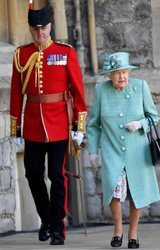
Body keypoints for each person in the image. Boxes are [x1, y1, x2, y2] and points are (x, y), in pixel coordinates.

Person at [9, 6, 87, 245]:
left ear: (50, 27)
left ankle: (58, 228)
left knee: (56, 174)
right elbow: (15, 93)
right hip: (32, 124)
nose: (39, 33)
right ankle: (47, 218)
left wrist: (79, 125)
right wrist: (16, 128)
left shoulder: (65, 52)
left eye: (42, 28)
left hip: (59, 124)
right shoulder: (21, 55)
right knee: (32, 173)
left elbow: (77, 90)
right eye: (35, 29)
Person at [87, 52, 160, 249]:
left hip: (138, 151)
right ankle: (117, 231)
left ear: (129, 72)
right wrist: (93, 151)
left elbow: (154, 116)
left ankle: (133, 234)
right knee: (114, 191)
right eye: (116, 73)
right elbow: (94, 125)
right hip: (112, 150)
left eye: (124, 72)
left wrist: (139, 124)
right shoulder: (101, 90)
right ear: (109, 75)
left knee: (137, 192)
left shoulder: (141, 87)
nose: (122, 77)